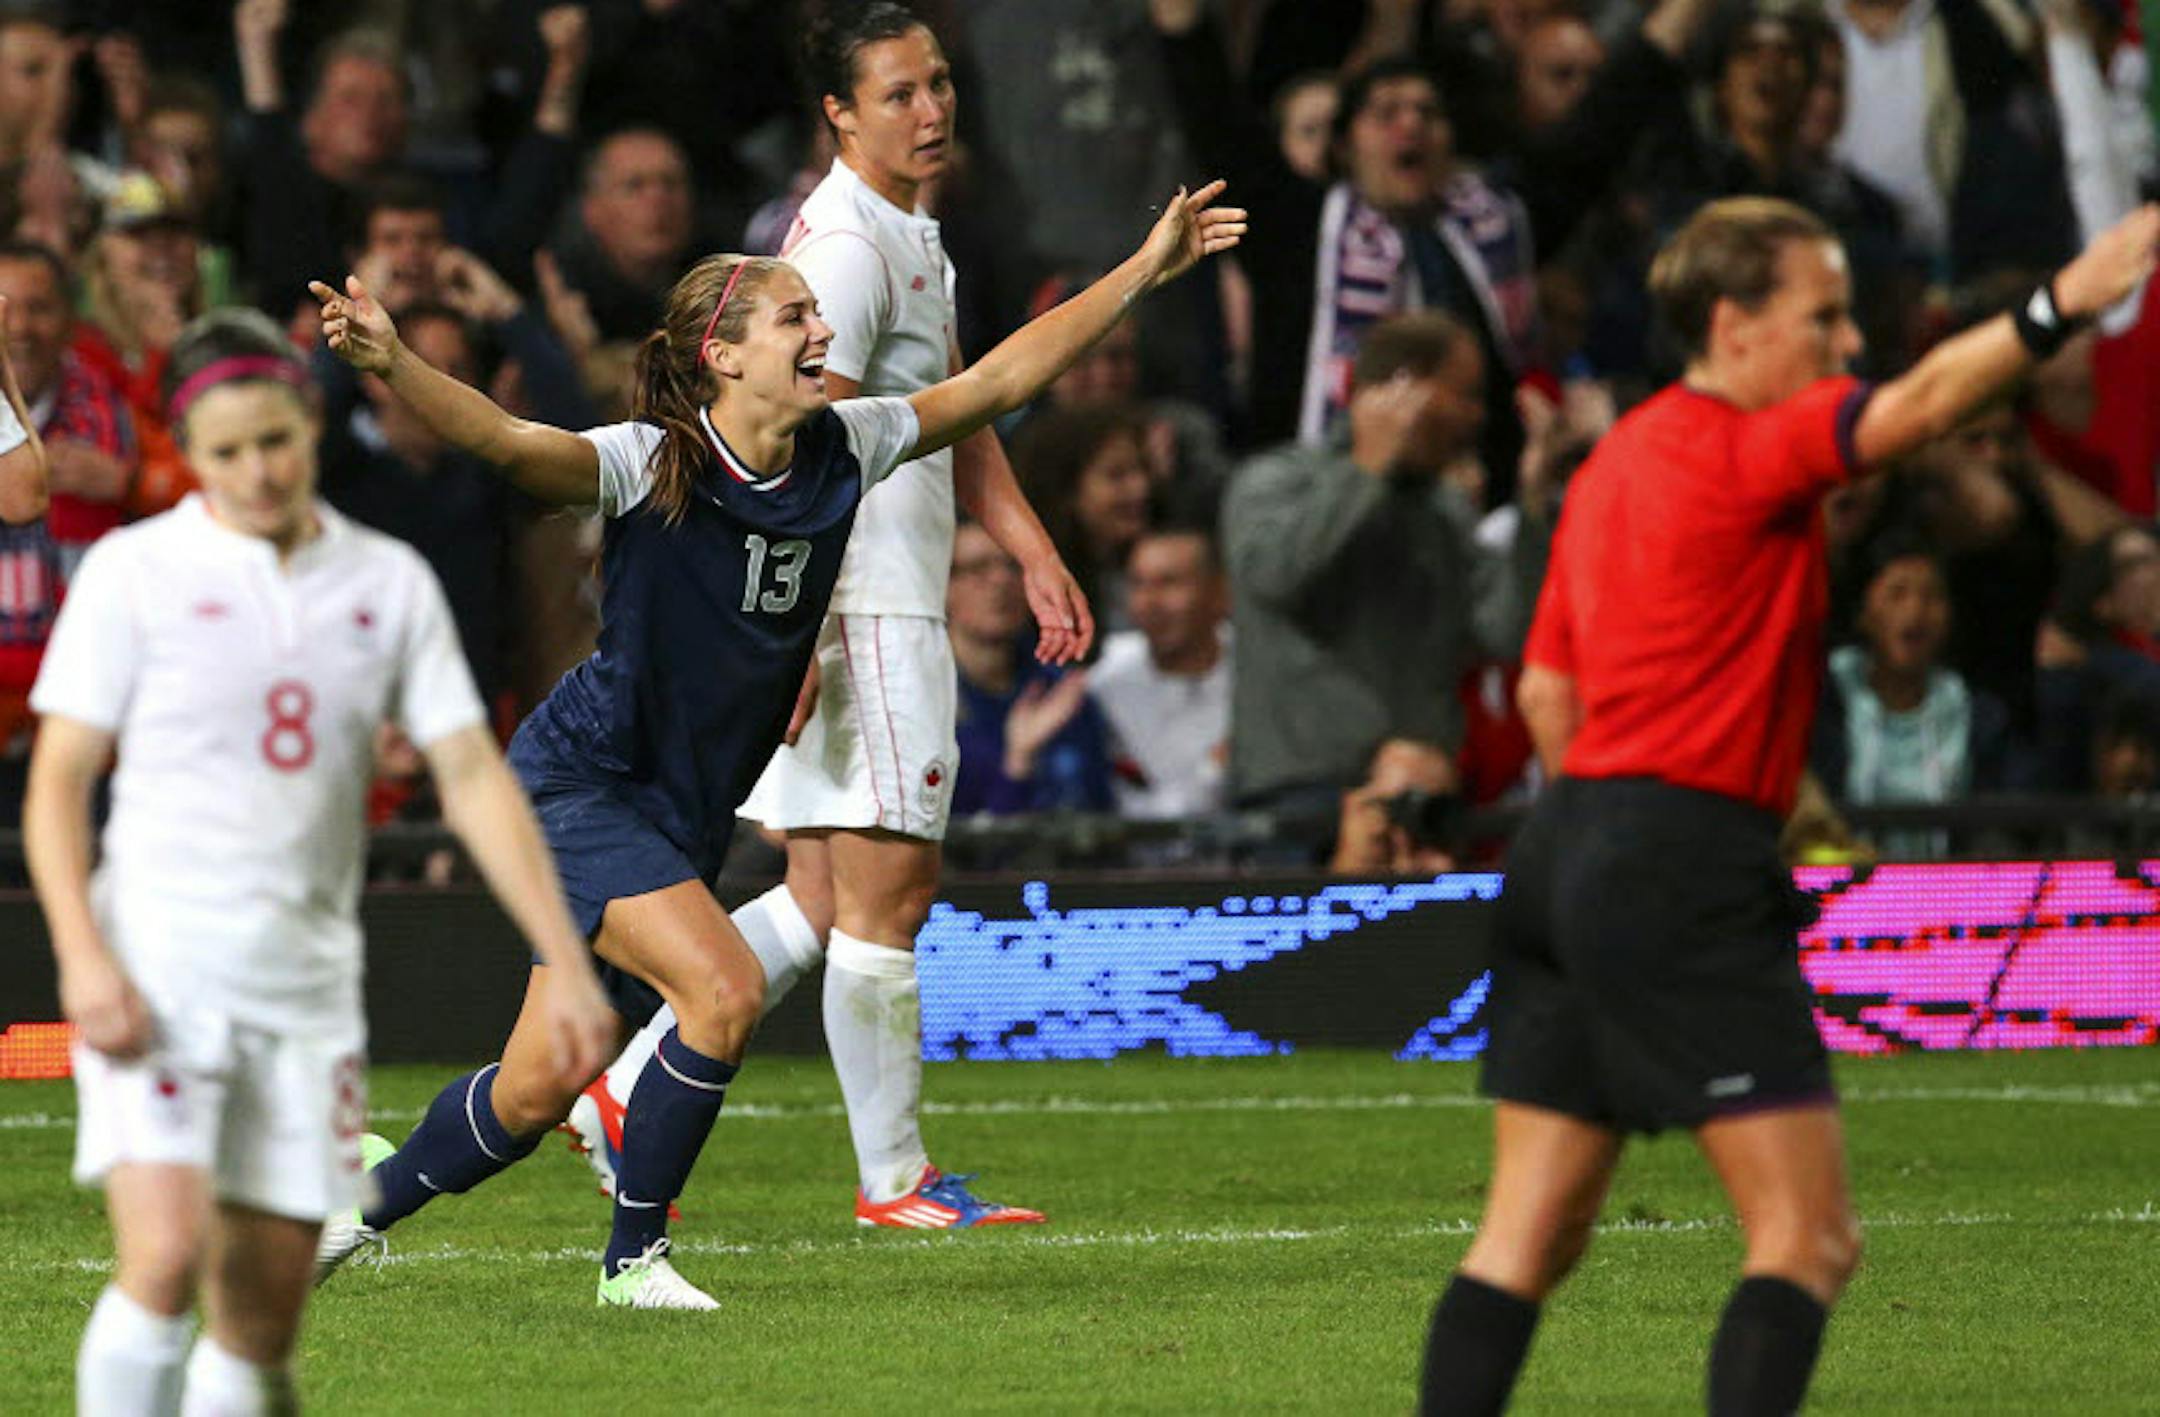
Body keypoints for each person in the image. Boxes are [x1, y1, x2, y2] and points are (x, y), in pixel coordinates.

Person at [307, 176, 1242, 1305]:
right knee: (724, 990)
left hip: (684, 809)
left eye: (816, 310)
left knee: (540, 1079)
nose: (823, 330)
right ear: (724, 353)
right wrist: (395, 361)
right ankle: (633, 1261)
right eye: (795, 316)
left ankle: (350, 1211)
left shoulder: (847, 446)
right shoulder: (652, 462)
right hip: (580, 784)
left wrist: (1145, 266)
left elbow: (1000, 378)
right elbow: (509, 442)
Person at [1419, 196, 2157, 1415]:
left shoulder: (1614, 467)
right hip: (1680, 861)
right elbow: (1916, 410)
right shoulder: (1744, 438)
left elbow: (1552, 691)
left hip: (1564, 856)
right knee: (1807, 1241)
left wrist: (1638, 817)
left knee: (1525, 1244)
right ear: (1734, 325)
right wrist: (2062, 301)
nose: (1848, 343)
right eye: (1823, 317)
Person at [23, 310, 612, 1416]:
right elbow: (59, 782)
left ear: (311, 422)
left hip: (303, 991)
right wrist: (83, 955)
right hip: (159, 970)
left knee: (257, 1320)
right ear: (190, 453)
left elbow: (475, 777)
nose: (257, 471)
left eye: (276, 442)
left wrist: (564, 959)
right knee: (158, 1264)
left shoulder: (383, 583)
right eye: (228, 451)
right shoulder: (133, 574)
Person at [568, 3, 1095, 1231]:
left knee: (819, 895)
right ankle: (896, 1182)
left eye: (940, 83)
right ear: (839, 115)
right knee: (890, 896)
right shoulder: (849, 253)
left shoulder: (902, 230)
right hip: (861, 605)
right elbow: (804, 457)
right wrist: (795, 634)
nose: (933, 108)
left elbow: (950, 412)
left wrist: (1028, 547)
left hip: (857, 599)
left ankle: (624, 1094)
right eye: (901, 92)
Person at [1222, 312, 1543, 854]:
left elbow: (1510, 633)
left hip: (1421, 804)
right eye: (1462, 394)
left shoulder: (1442, 510)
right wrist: (1366, 468)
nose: (1476, 417)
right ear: (1401, 391)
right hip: (1301, 803)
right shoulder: (1275, 482)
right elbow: (1276, 576)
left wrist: (1534, 511)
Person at [948, 519, 1114, 818]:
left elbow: (1101, 812)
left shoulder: (1062, 692)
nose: (1001, 580)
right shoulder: (920, 697)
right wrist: (1018, 764)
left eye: (1013, 566)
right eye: (978, 568)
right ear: (942, 586)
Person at [1092, 524, 1231, 820]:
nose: (1149, 602)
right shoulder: (1104, 683)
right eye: (1138, 584)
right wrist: (1213, 772)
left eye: (1169, 583)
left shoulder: (1258, 671)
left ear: (1220, 593)